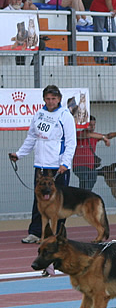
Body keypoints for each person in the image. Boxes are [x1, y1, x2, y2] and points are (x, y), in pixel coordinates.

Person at [9, 85, 77, 245]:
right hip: (40, 165)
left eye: (53, 98)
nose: (51, 101)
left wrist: (65, 163)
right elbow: (31, 137)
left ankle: (57, 233)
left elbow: (70, 142)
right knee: (39, 199)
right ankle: (35, 232)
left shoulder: (65, 115)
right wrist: (19, 154)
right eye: (48, 98)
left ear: (59, 99)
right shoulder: (39, 114)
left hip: (58, 167)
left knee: (59, 201)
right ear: (44, 99)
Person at [73, 115, 116, 191]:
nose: (92, 127)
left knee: (91, 179)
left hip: (91, 166)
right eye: (90, 125)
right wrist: (103, 138)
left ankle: (85, 196)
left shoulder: (96, 136)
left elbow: (107, 135)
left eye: (94, 125)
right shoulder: (79, 133)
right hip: (79, 165)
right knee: (85, 179)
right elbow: (87, 135)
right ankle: (84, 196)